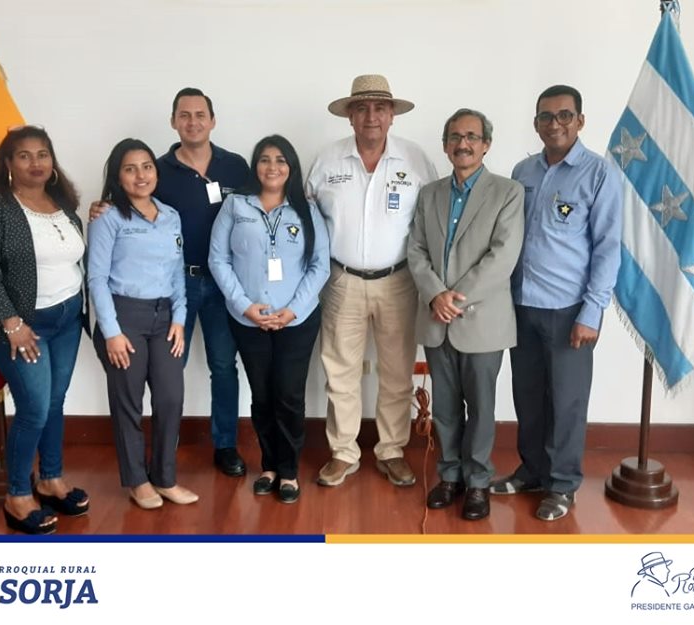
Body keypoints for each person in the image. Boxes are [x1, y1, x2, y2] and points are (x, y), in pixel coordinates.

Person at [91, 88, 250, 478]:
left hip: (224, 283)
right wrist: (100, 205)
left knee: (223, 365)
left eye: (200, 114)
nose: (193, 122)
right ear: (173, 121)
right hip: (175, 285)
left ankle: (225, 445)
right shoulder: (157, 170)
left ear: (213, 120)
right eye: (184, 115)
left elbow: (258, 209)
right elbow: (131, 204)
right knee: (169, 372)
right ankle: (166, 451)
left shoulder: (235, 167)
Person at [490, 85, 622, 521]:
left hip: (569, 311)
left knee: (567, 402)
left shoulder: (599, 174)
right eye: (546, 117)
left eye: (565, 115)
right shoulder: (522, 171)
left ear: (580, 121)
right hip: (522, 305)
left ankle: (562, 485)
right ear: (536, 124)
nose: (555, 124)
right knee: (527, 396)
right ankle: (532, 471)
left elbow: (608, 248)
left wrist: (592, 311)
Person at [306, 74, 438, 488]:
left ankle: (392, 450)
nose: (371, 116)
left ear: (392, 115)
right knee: (340, 371)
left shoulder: (415, 161)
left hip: (399, 280)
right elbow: (305, 217)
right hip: (341, 280)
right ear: (349, 116)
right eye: (362, 108)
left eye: (380, 108)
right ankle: (343, 452)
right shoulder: (327, 161)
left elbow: (432, 220)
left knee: (397, 371)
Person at [0, 125, 89, 535]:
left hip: (68, 319)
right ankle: (18, 495)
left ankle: (51, 479)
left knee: (54, 403)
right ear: (8, 163)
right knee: (34, 408)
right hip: (23, 327)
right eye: (24, 155)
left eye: (43, 154)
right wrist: (11, 323)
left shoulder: (62, 202)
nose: (35, 163)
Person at [407, 109, 524, 520]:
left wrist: (454, 298)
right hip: (436, 318)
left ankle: (477, 482)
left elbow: (502, 256)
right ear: (445, 145)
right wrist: (434, 294)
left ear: (486, 144)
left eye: (472, 136)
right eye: (456, 137)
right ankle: (450, 475)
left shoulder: (508, 192)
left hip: (482, 320)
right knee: (445, 407)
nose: (464, 144)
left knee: (481, 407)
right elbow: (416, 249)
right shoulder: (429, 194)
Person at [209, 135, 330, 503]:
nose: (272, 166)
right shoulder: (235, 205)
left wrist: (292, 310)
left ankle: (289, 470)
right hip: (249, 320)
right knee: (262, 395)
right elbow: (218, 259)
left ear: (291, 167)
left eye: (280, 160)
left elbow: (320, 265)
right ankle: (270, 466)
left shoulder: (307, 209)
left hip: (297, 320)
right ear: (255, 166)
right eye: (264, 159)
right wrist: (245, 305)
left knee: (289, 394)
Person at [88, 138, 199, 509]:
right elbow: (96, 279)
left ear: (156, 171)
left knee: (170, 398)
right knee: (129, 403)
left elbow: (177, 273)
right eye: (130, 168)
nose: (140, 175)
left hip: (165, 318)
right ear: (117, 176)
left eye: (147, 166)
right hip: (124, 318)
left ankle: (164, 478)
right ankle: (137, 481)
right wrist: (111, 332)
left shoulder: (170, 216)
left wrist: (180, 319)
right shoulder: (107, 218)